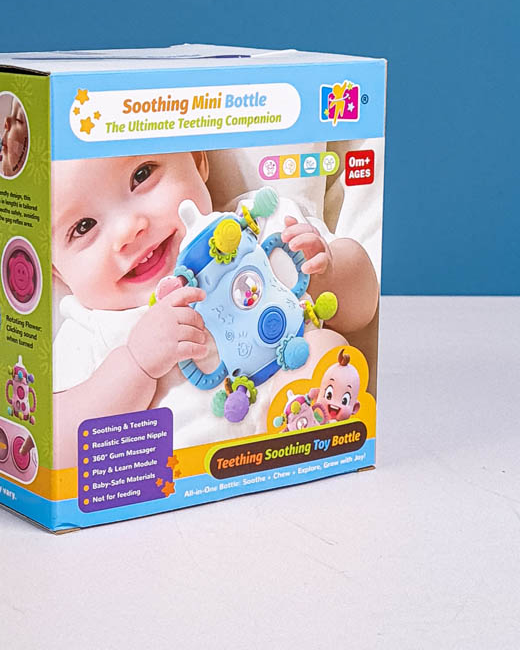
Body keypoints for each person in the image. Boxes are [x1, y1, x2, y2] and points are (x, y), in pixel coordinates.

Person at [52, 152, 379, 466]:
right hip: (186, 486)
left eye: (142, 175)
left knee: (323, 350)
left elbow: (363, 309)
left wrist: (327, 274)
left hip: (304, 455)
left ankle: (318, 433)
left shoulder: (261, 227)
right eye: (83, 226)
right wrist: (136, 364)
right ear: (58, 272)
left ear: (197, 161)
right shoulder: (91, 328)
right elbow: (60, 448)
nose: (128, 229)